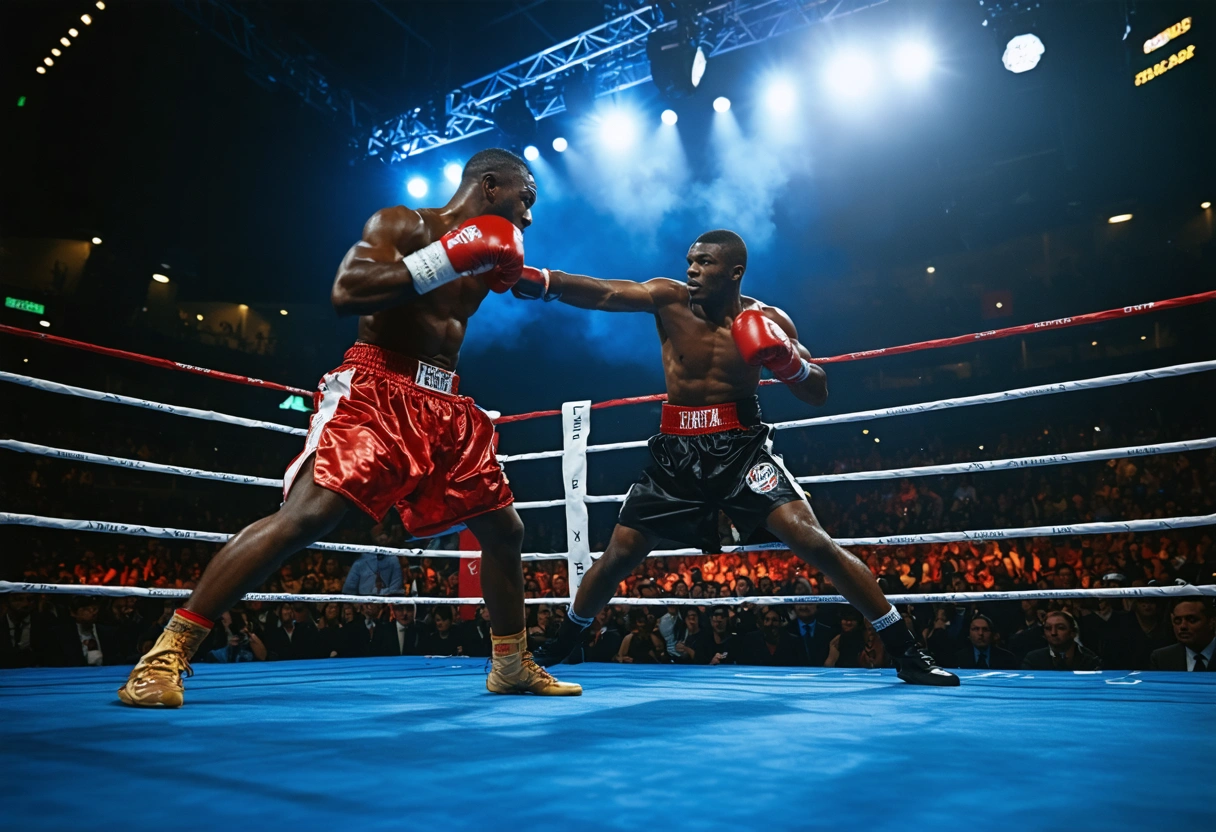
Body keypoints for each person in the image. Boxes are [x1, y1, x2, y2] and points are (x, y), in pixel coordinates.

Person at [117, 148, 579, 706]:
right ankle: (164, 655)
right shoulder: (404, 224)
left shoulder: (497, 255)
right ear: (489, 186)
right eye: (524, 199)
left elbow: (574, 287)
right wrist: (448, 257)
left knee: (504, 531)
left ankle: (510, 663)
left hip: (444, 402)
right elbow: (347, 292)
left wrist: (553, 280)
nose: (529, 217)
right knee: (307, 517)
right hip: (378, 386)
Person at [521, 230, 956, 685]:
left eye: (704, 262)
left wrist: (788, 362)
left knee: (813, 541)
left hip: (741, 449)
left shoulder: (766, 318)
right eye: (690, 260)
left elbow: (817, 391)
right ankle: (560, 647)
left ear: (735, 272)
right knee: (618, 556)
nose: (691, 269)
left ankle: (907, 651)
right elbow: (608, 292)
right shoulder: (669, 299)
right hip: (677, 453)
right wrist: (547, 281)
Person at [718, 607, 808, 667]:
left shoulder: (794, 642)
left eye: (774, 620)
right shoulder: (751, 640)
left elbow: (803, 667)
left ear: (781, 623)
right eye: (767, 620)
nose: (770, 624)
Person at [1022, 611, 1101, 671]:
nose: (1053, 633)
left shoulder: (1090, 661)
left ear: (1073, 632)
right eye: (1048, 628)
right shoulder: (1033, 660)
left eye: (1060, 628)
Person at [1150, 599, 1215, 671]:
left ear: (1211, 622)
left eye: (1192, 620)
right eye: (1177, 621)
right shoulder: (1161, 658)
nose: (1183, 626)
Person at [950, 614, 1018, 670]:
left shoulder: (1007, 658)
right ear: (969, 633)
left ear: (992, 633)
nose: (980, 633)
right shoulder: (957, 659)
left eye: (985, 629)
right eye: (976, 629)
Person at [786, 603, 835, 667]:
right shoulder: (785, 631)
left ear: (817, 605)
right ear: (794, 605)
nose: (804, 607)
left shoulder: (830, 632)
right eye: (799, 603)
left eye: (809, 603)